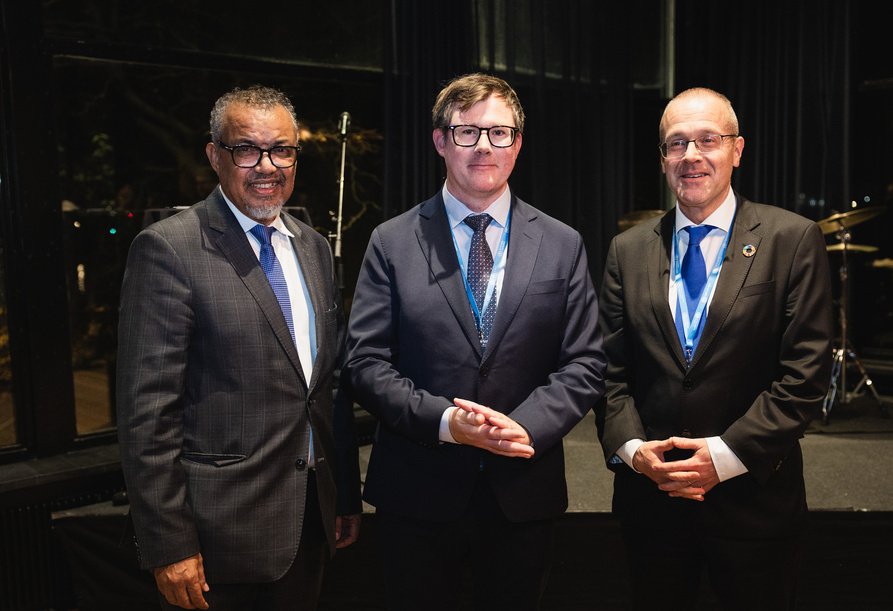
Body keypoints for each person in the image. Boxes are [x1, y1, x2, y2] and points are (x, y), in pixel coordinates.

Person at [342, 73, 605, 609]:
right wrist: (446, 423)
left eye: (500, 133)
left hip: (522, 493)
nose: (485, 145)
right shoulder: (391, 241)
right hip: (417, 493)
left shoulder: (562, 243)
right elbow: (364, 362)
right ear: (440, 141)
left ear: (518, 144)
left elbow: (585, 362)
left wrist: (522, 427)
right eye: (468, 132)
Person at [117, 85, 361, 611]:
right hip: (214, 545)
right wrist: (169, 545)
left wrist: (342, 496)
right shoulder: (169, 249)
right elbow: (146, 415)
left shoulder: (314, 249)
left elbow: (325, 389)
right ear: (214, 155)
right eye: (247, 149)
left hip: (307, 529)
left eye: (282, 150)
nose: (266, 166)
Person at [595, 87, 832, 609]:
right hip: (651, 506)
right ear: (662, 161)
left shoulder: (792, 240)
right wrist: (635, 454)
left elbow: (805, 375)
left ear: (738, 149)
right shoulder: (626, 250)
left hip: (754, 504)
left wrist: (722, 458)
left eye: (708, 140)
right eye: (676, 144)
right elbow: (608, 374)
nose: (692, 156)